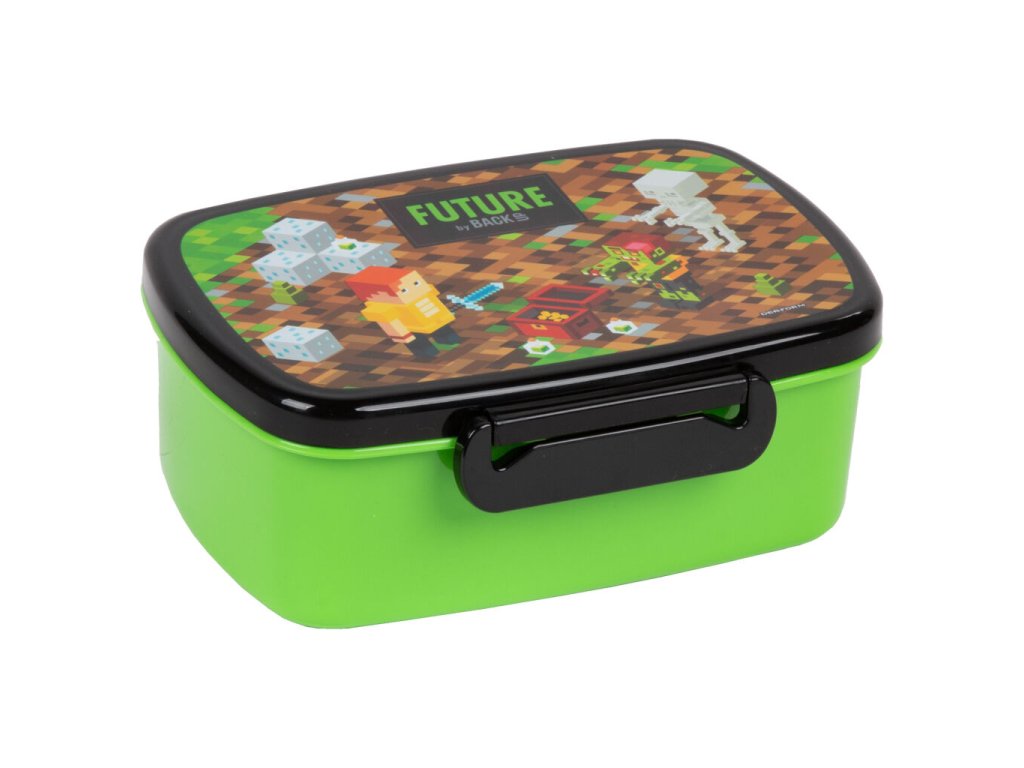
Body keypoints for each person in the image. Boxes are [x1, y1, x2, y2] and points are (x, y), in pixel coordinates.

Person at [346, 266, 462, 359]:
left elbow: (433, 297)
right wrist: (402, 335)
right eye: (404, 290)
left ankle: (448, 340)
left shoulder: (425, 291)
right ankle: (427, 353)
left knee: (445, 333)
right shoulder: (383, 308)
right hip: (411, 327)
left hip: (435, 319)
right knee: (419, 343)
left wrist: (444, 314)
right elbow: (389, 322)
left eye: (416, 283)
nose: (415, 289)